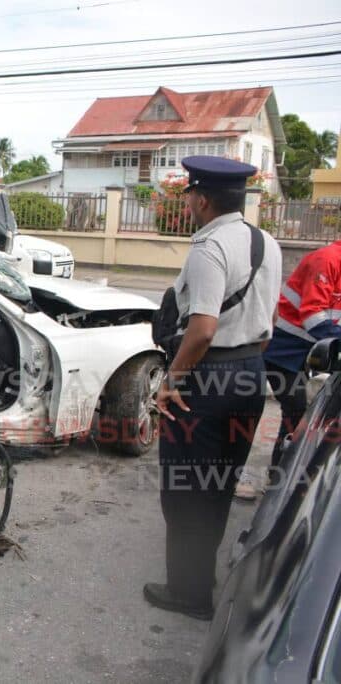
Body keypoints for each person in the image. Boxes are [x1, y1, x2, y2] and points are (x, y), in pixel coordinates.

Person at [144, 156, 282, 620]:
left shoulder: (209, 247)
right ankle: (201, 577)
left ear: (202, 199)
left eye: (188, 195)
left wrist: (171, 383)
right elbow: (267, 329)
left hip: (206, 379)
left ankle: (188, 592)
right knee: (217, 483)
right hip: (249, 374)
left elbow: (201, 330)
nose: (188, 202)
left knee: (184, 489)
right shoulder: (267, 243)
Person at [248, 242, 341, 487]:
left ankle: (279, 475)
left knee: (298, 412)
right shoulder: (328, 259)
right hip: (279, 351)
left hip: (301, 354)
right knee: (296, 411)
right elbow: (313, 317)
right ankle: (276, 479)